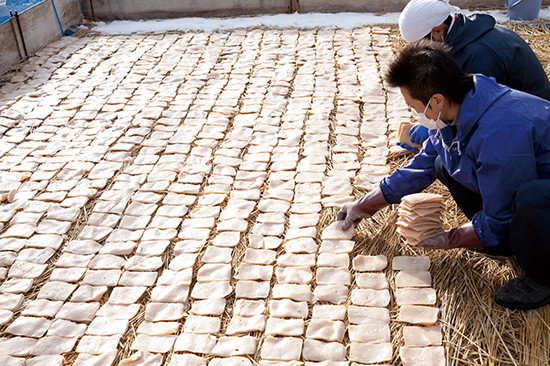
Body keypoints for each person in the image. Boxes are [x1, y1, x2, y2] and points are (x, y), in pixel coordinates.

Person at [338, 39, 550, 310]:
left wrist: (451, 238)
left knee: (530, 198)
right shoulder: (459, 106)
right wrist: (364, 206)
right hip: (521, 178)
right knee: (442, 162)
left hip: (543, 195)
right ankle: (504, 241)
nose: (415, 113)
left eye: (414, 105)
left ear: (436, 100)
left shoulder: (500, 132)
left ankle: (542, 276)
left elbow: (502, 210)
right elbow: (422, 165)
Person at [397, 0, 550, 151]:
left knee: (445, 163)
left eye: (422, 42)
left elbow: (477, 114)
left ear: (437, 31)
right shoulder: (463, 33)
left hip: (532, 129)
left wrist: (437, 134)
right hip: (514, 113)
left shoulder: (479, 55)